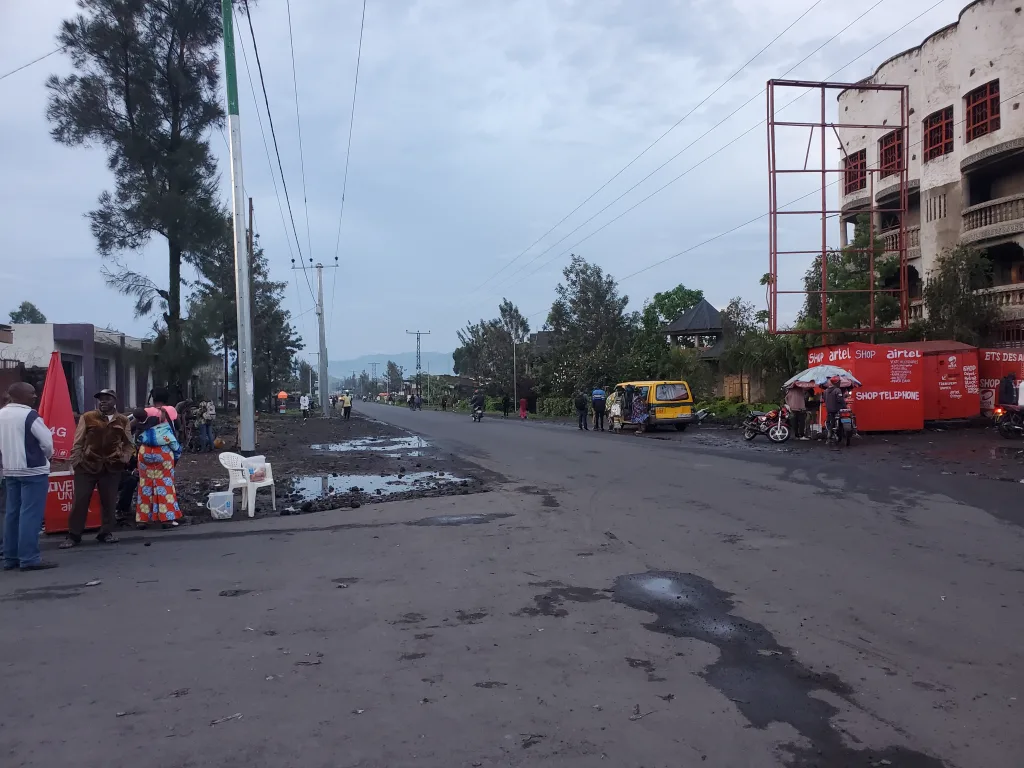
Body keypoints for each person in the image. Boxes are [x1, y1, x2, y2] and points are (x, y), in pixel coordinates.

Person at [60, 388, 133, 549]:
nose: (103, 401)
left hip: (112, 466)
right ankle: (74, 535)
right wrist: (76, 461)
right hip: (87, 465)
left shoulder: (122, 420)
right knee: (80, 501)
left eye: (107, 398)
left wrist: (125, 457)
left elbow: (128, 443)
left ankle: (105, 533)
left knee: (108, 501)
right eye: (101, 399)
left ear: (115, 401)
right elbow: (78, 441)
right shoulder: (88, 417)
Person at [0, 382, 56, 570]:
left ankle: (10, 558)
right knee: (30, 515)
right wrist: (45, 457)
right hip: (33, 470)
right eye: (31, 393)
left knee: (12, 514)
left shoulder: (1, 414)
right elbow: (47, 442)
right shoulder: (29, 415)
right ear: (21, 395)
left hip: (9, 469)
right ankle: (29, 558)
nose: (35, 396)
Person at [134, 402, 182, 529]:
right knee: (165, 485)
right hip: (163, 455)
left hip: (144, 454)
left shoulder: (144, 429)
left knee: (145, 485)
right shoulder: (164, 429)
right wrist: (176, 458)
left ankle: (142, 519)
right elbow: (176, 447)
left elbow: (137, 441)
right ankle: (167, 519)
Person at [823, 375, 847, 440]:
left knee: (829, 421)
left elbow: (824, 399)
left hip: (829, 410)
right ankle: (835, 433)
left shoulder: (825, 391)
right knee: (839, 421)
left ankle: (830, 431)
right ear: (837, 383)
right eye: (839, 382)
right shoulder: (837, 390)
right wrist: (845, 406)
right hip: (837, 410)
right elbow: (840, 400)